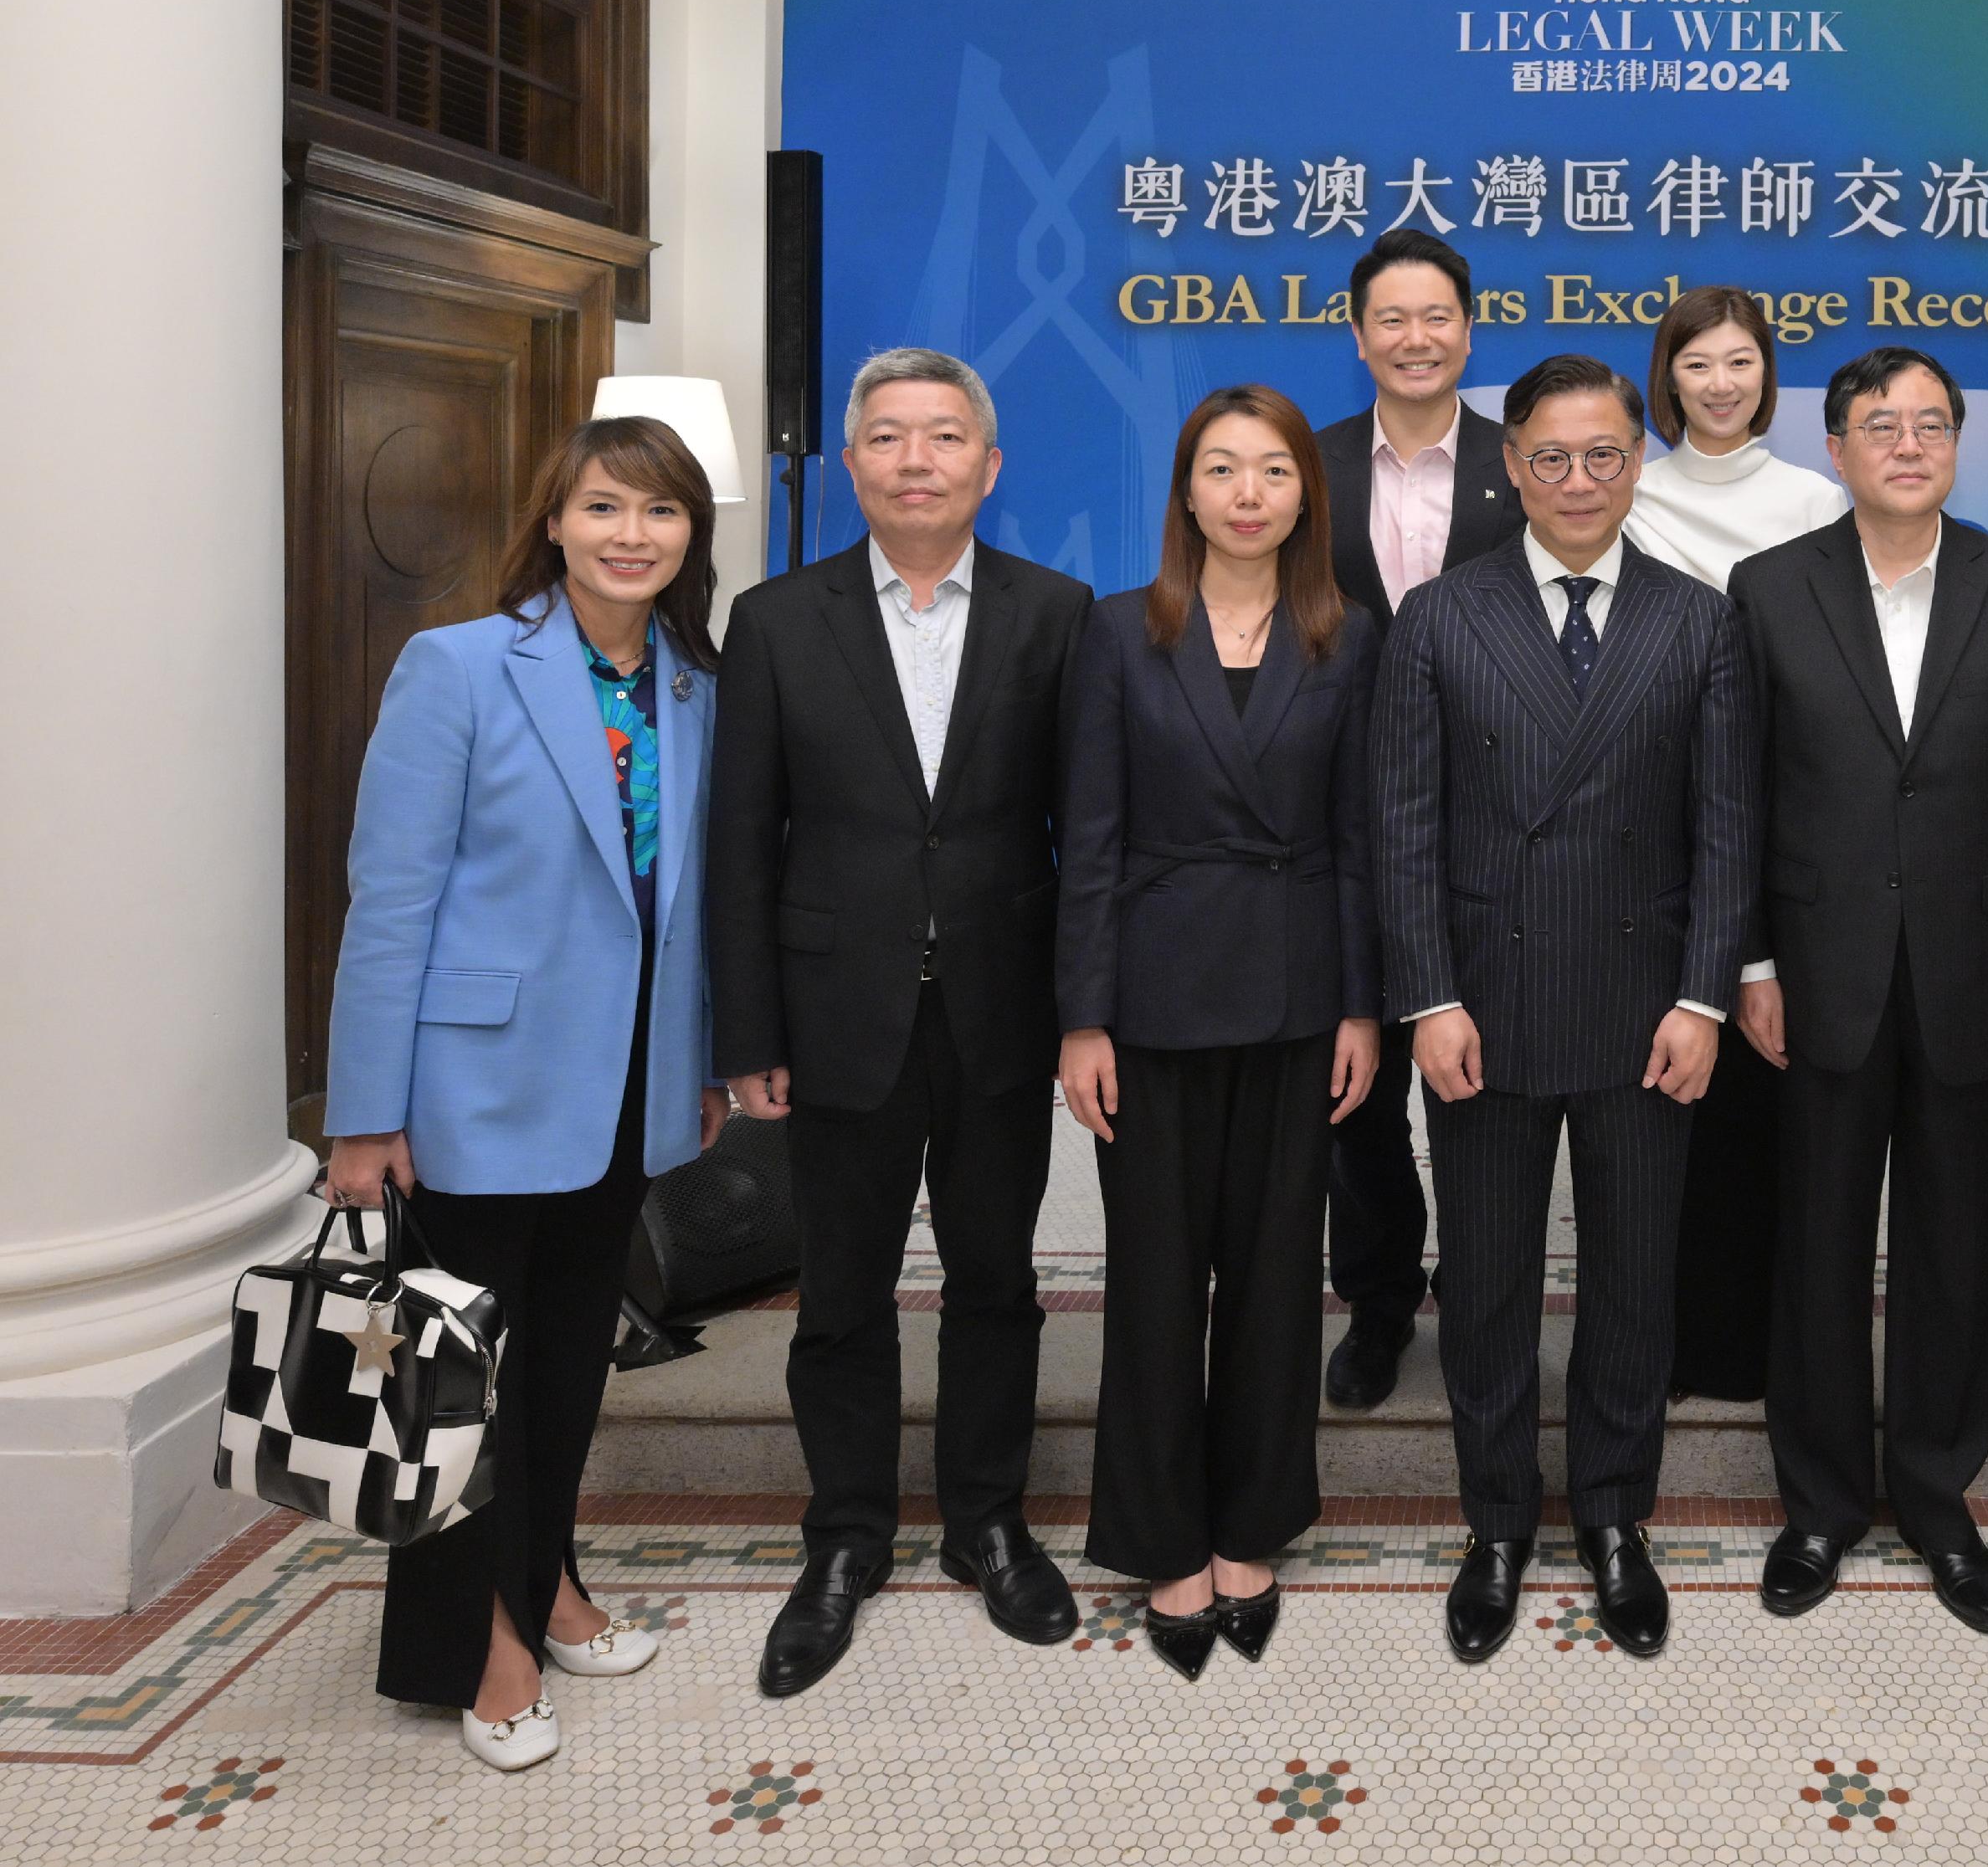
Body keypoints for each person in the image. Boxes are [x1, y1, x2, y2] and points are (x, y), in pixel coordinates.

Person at [323, 415, 727, 1772]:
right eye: (605, 506)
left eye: (660, 512)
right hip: (472, 1089)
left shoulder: (690, 680)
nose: (632, 534)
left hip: (620, 1088)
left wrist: (705, 1063)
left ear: (690, 536)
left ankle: (547, 1581)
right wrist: (364, 1113)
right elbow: (392, 900)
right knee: (458, 1383)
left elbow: (685, 907)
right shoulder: (459, 666)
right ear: (553, 521)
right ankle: (475, 1647)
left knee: (564, 1363)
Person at [711, 347, 1096, 1696]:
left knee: (997, 1280)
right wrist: (744, 1027)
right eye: (889, 437)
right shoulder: (773, 619)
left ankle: (987, 1521)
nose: (916, 458)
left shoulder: (1061, 614)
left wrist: (1084, 1012)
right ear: (855, 464)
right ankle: (847, 1536)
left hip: (1003, 1004)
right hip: (834, 1011)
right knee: (844, 1294)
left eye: (944, 437)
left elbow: (1087, 834)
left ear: (989, 467)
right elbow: (740, 843)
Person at [1372, 352, 1758, 1663]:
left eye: (1604, 455)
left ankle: (1612, 1516)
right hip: (1481, 1005)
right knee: (1485, 1284)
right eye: (1550, 457)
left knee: (1633, 1284)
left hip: (1649, 1008)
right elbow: (1405, 828)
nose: (1579, 480)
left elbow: (1727, 834)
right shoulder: (1437, 614)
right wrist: (1425, 994)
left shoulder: (1698, 619)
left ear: (1638, 462)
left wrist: (1706, 996)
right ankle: (1496, 1522)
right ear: (1511, 466)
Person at [1733, 346, 1988, 1635]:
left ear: (1956, 447)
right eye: (1879, 425)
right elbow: (1745, 798)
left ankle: (1939, 1500)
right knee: (1817, 1244)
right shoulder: (1768, 590)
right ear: (1833, 448)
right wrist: (1754, 963)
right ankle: (1821, 1502)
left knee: (1953, 1250)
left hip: (1971, 973)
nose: (1907, 443)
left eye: (1930, 423)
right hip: (1815, 973)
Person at [1056, 387, 1384, 1679]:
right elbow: (1087, 838)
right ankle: (1161, 1533)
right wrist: (1081, 1015)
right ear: (1186, 491)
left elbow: (1362, 838)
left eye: (1275, 472)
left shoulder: (1349, 634)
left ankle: (1253, 1520)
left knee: (1269, 1272)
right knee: (1153, 1273)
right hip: (1150, 1001)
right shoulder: (1118, 631)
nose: (1249, 492)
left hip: (1301, 998)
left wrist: (1363, 1002)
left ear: (1309, 492)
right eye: (1221, 469)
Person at [1312, 227, 1528, 1412]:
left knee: (1484, 1089)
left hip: (1501, 832)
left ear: (1467, 326)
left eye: (1435, 315)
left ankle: (1489, 1294)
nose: (1414, 337)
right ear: (1359, 337)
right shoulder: (1307, 464)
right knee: (1358, 1098)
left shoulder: (1526, 462)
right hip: (1344, 827)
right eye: (1390, 319)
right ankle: (1382, 1299)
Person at [1621, 285, 1847, 1402]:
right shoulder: (1630, 496)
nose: (1720, 382)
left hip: (1790, 822)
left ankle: (1760, 1344)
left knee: (1767, 1100)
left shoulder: (1815, 500)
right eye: (1698, 363)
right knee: (1668, 1107)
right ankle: (1668, 1341)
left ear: (1769, 375)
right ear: (1668, 377)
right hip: (1653, 830)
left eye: (1741, 362)